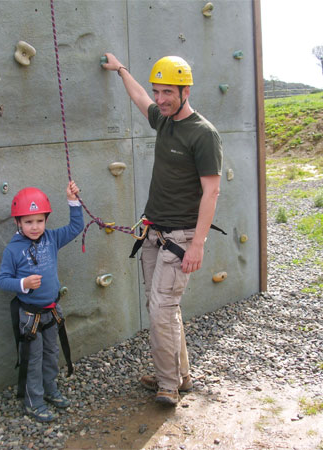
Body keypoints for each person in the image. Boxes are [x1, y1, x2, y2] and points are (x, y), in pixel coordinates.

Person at [102, 53, 223, 406]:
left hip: (181, 238)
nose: (160, 99)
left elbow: (212, 191)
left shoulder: (203, 134)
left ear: (185, 91)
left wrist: (198, 245)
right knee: (162, 307)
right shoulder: (164, 120)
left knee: (161, 308)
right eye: (158, 91)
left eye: (167, 92)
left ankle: (167, 384)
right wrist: (122, 68)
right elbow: (139, 98)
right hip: (153, 233)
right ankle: (180, 375)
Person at [0, 181, 83, 422]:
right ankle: (32, 401)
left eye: (39, 221)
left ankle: (50, 390)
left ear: (46, 220)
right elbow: (2, 280)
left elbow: (76, 227)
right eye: (28, 222)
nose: (35, 227)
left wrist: (72, 200)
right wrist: (23, 284)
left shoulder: (52, 238)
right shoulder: (13, 251)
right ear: (18, 223)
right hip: (30, 316)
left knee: (51, 352)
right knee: (33, 359)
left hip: (52, 310)